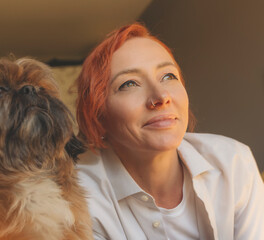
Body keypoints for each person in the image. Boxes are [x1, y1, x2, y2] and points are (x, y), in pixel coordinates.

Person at [75, 22, 264, 240]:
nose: (161, 97)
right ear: (98, 115)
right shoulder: (79, 197)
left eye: (168, 76)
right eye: (129, 84)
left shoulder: (233, 162)